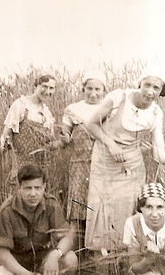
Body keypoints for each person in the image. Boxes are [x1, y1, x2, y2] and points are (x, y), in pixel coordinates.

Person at [84, 73, 165, 251]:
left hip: (132, 166)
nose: (150, 91)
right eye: (147, 85)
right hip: (105, 162)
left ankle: (125, 259)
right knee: (103, 213)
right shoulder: (119, 97)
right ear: (140, 83)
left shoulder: (155, 113)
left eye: (156, 88)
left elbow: (159, 155)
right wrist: (111, 144)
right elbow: (90, 124)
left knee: (128, 213)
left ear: (161, 92)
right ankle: (101, 260)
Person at [0, 164, 78, 275]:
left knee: (71, 259)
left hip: (41, 256)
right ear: (19, 188)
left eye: (37, 188)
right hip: (14, 260)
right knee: (1, 274)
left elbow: (67, 238)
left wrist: (54, 255)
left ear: (44, 187)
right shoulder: (7, 210)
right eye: (28, 188)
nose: (33, 194)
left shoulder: (51, 204)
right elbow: (3, 253)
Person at [60, 74, 105, 249]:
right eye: (89, 89)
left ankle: (97, 250)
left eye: (97, 89)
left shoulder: (109, 108)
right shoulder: (73, 109)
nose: (93, 93)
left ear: (103, 91)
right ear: (83, 89)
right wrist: (64, 137)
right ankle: (76, 253)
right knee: (78, 206)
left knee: (100, 206)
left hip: (102, 164)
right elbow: (65, 132)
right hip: (79, 164)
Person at [0, 74, 58, 186]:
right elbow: (5, 134)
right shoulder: (21, 105)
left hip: (40, 167)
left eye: (51, 88)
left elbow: (49, 144)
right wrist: (5, 147)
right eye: (44, 86)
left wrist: (62, 142)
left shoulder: (47, 113)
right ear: (36, 85)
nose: (47, 91)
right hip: (22, 164)